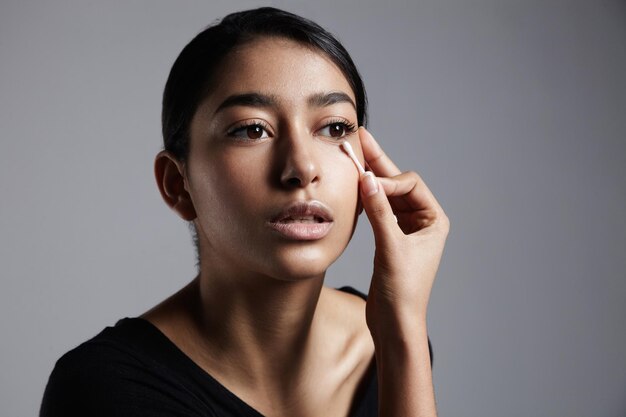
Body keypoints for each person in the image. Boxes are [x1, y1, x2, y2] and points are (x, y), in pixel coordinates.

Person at [40, 7, 449, 417]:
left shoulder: (390, 334)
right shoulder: (104, 390)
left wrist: (402, 334)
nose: (302, 168)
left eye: (335, 128)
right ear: (178, 184)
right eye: (252, 129)